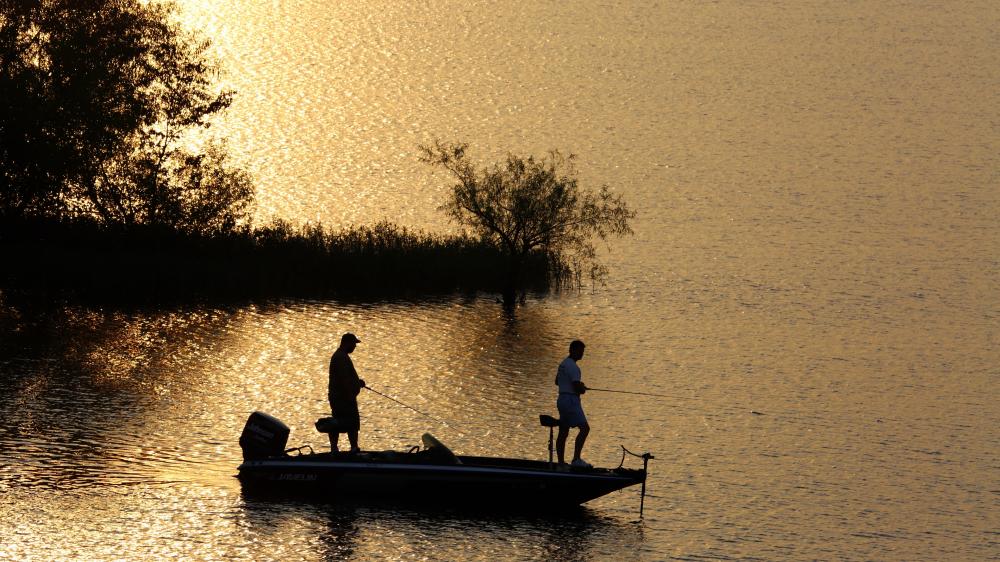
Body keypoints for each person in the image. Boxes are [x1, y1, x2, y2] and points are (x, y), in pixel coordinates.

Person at [555, 339, 591, 468]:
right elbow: (577, 388)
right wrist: (582, 388)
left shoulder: (563, 364)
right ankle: (576, 459)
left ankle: (560, 462)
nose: (582, 354)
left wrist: (577, 385)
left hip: (561, 400)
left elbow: (557, 382)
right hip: (571, 401)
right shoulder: (574, 367)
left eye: (583, 351)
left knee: (563, 431)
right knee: (585, 428)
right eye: (580, 351)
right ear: (573, 350)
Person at [329, 332, 365, 453]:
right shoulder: (341, 357)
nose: (355, 346)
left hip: (339, 397)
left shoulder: (341, 356)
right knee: (351, 422)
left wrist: (357, 382)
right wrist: (350, 395)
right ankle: (352, 448)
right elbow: (344, 380)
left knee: (339, 421)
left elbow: (346, 377)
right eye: (354, 344)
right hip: (343, 398)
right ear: (347, 343)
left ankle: (335, 448)